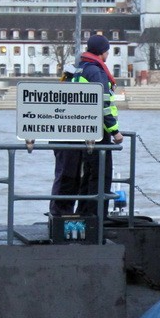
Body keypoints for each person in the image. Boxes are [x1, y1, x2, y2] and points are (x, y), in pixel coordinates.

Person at [73, 34, 123, 216]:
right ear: (102, 52)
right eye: (107, 51)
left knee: (88, 174)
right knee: (101, 175)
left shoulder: (80, 68)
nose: (108, 55)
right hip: (98, 131)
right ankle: (97, 218)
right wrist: (115, 131)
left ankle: (84, 213)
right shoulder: (96, 71)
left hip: (84, 129)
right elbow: (103, 104)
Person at [48, 64, 80, 216]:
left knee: (65, 175)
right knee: (67, 176)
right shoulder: (68, 90)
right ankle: (60, 211)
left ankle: (61, 210)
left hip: (64, 139)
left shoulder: (61, 89)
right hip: (67, 139)